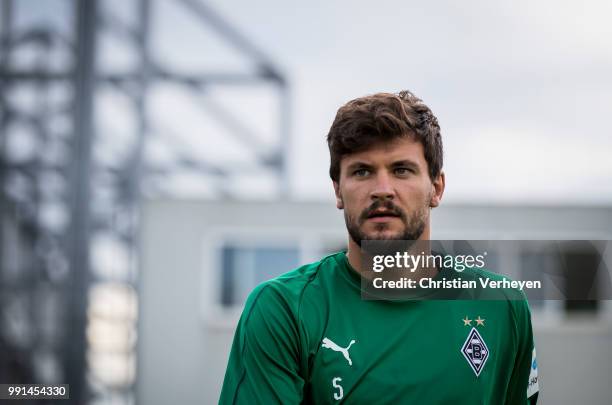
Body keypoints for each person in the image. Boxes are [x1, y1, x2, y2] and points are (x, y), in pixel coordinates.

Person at [219, 90, 539, 404]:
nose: (382, 190)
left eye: (401, 170)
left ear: (436, 188)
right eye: (362, 171)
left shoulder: (500, 304)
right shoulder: (284, 309)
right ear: (338, 191)